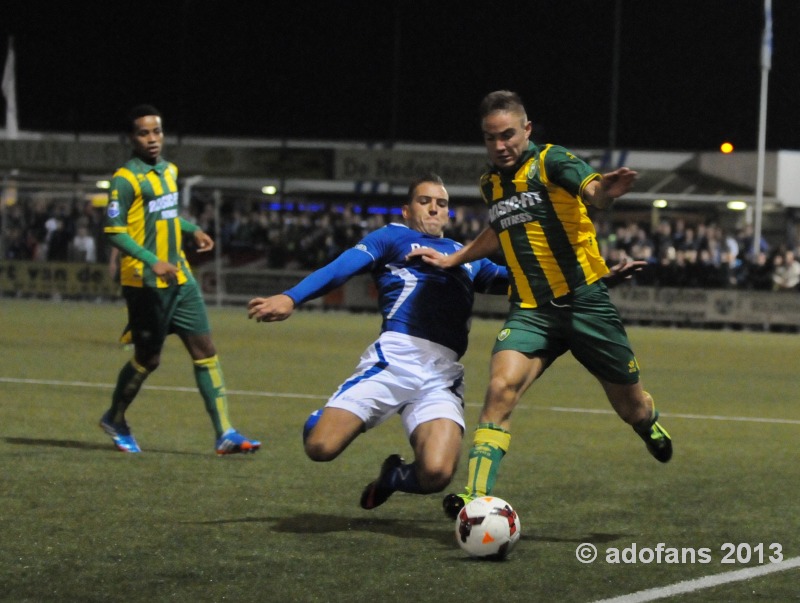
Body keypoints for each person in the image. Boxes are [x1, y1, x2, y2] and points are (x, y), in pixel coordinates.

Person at [407, 90, 673, 519]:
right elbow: (500, 228)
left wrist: (606, 190)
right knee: (499, 389)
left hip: (587, 304)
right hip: (532, 310)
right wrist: (455, 257)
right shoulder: (490, 183)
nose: (500, 146)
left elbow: (593, 192)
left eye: (508, 135)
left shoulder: (552, 161)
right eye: (490, 138)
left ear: (526, 130)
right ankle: (475, 499)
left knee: (631, 407)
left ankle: (648, 422)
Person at [247, 173, 509, 510]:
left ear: (448, 214)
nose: (433, 209)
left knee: (437, 473)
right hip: (395, 359)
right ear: (406, 210)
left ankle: (393, 476)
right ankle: (322, 420)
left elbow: (513, 281)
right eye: (424, 201)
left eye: (441, 204)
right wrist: (291, 297)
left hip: (442, 375)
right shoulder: (392, 237)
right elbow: (340, 268)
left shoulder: (467, 255)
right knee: (320, 448)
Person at [99, 104, 260, 455]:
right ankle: (114, 417)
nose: (152, 139)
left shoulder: (170, 170)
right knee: (148, 359)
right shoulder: (124, 179)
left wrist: (193, 230)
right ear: (131, 137)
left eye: (157, 131)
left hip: (180, 276)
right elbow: (113, 230)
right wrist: (151, 260)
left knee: (205, 351)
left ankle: (225, 433)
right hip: (144, 281)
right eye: (144, 132)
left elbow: (166, 217)